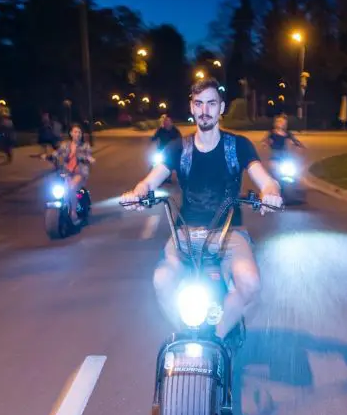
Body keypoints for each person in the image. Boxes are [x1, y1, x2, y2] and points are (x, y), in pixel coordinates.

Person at [121, 78, 282, 348]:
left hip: (229, 235)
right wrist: (137, 193)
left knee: (250, 282)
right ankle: (188, 333)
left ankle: (215, 339)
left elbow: (266, 180)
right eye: (199, 104)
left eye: (211, 103)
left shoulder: (238, 146)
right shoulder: (178, 148)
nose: (204, 110)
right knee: (162, 280)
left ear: (221, 108)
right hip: (185, 234)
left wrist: (270, 193)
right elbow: (149, 181)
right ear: (192, 108)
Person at [45, 123, 95, 223]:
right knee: (59, 187)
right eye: (75, 132)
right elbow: (56, 153)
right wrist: (49, 156)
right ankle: (63, 207)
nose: (78, 134)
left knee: (71, 188)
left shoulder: (85, 146)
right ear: (71, 133)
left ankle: (73, 212)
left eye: (79, 132)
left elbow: (88, 155)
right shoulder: (65, 145)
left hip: (80, 172)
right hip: (67, 172)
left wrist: (89, 159)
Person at [151, 114, 181, 182]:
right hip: (161, 149)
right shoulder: (161, 130)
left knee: (172, 163)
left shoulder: (175, 130)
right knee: (156, 162)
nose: (166, 124)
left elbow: (179, 138)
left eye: (168, 122)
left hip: (171, 150)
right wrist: (152, 139)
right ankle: (157, 176)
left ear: (171, 123)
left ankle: (172, 177)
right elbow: (155, 136)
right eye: (165, 122)